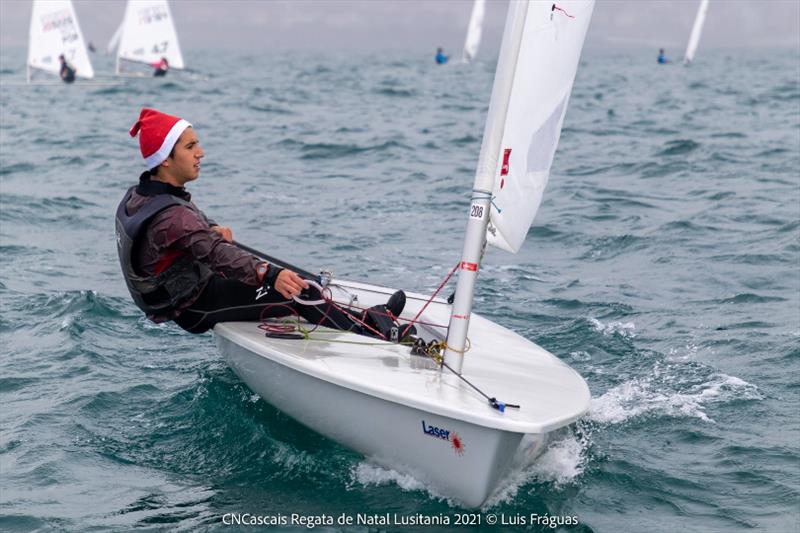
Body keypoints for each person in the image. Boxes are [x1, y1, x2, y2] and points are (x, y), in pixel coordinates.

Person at [116, 108, 407, 336]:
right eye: (190, 146)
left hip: (191, 290)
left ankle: (366, 318)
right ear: (165, 160)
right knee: (298, 291)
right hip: (194, 306)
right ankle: (370, 335)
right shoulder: (174, 219)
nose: (200, 153)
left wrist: (211, 228)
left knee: (287, 276)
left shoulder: (142, 194)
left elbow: (189, 226)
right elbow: (213, 249)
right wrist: (269, 275)